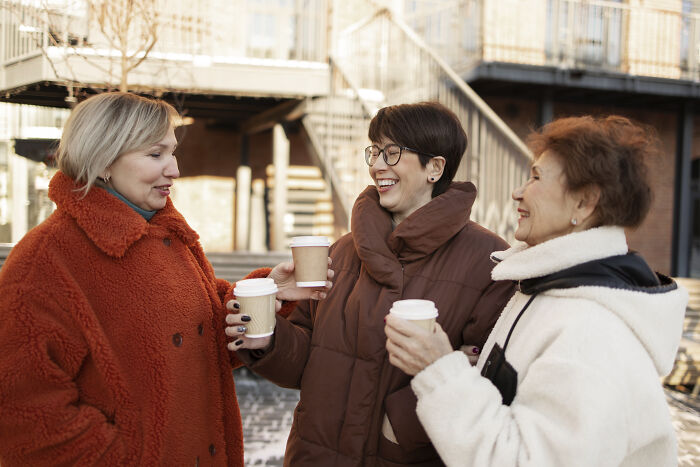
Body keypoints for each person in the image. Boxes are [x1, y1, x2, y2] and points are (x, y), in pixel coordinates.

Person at [0, 92, 330, 466]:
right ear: (104, 159)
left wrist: (267, 291)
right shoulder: (45, 261)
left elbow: (193, 331)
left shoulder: (165, 233)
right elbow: (23, 413)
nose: (174, 169)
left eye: (172, 153)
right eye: (156, 154)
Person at [384, 115, 687, 467]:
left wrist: (438, 369)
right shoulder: (550, 288)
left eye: (536, 177)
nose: (518, 192)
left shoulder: (592, 332)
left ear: (584, 203)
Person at [225, 101, 515, 465]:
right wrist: (268, 336)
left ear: (435, 168)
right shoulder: (342, 252)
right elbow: (305, 365)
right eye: (375, 151)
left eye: (392, 152)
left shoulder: (488, 262)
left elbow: (487, 376)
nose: (377, 164)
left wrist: (399, 426)